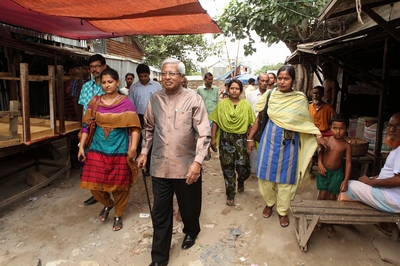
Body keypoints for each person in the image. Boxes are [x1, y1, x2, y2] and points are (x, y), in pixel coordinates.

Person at [136, 58, 210, 266]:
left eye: (172, 74)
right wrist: (143, 152)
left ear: (182, 77)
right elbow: (148, 128)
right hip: (160, 165)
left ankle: (191, 231)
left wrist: (197, 162)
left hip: (186, 166)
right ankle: (159, 258)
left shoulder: (193, 99)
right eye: (164, 74)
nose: (167, 77)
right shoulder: (154, 100)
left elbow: (204, 134)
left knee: (189, 207)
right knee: (160, 211)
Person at [246, 65, 327, 228]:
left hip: (290, 145)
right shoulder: (269, 96)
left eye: (286, 78)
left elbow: (306, 122)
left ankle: (283, 211)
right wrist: (249, 139)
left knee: (287, 180)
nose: (282, 82)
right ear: (276, 79)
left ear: (292, 80)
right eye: (280, 78)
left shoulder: (299, 99)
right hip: (268, 142)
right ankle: (269, 203)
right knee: (265, 177)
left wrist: (317, 135)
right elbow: (259, 118)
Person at [78, 68, 141, 231]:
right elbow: (86, 125)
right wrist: (82, 146)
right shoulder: (95, 101)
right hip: (97, 148)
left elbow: (135, 128)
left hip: (120, 149)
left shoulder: (126, 103)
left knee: (120, 184)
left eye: (110, 82)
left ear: (117, 82)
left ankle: (118, 215)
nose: (107, 85)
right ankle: (108, 204)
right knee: (94, 184)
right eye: (104, 82)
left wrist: (133, 149)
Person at [338, 112, 400, 215]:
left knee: (347, 186)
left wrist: (372, 183)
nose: (391, 130)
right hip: (391, 195)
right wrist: (375, 178)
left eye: (397, 126)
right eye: (390, 126)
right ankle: (381, 222)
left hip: (393, 200)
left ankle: (340, 218)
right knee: (362, 181)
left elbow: (398, 179)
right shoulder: (396, 148)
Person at [209, 79, 255, 206]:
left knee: (244, 167)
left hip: (241, 139)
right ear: (228, 89)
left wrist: (250, 140)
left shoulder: (245, 105)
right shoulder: (222, 105)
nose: (234, 90)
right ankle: (230, 193)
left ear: (240, 90)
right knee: (227, 167)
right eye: (232, 88)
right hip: (225, 139)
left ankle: (241, 180)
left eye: (237, 88)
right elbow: (216, 121)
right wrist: (213, 138)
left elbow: (252, 123)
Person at [78, 54, 108, 206]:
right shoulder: (86, 87)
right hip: (88, 131)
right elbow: (83, 110)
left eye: (97, 66)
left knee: (105, 162)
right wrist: (81, 129)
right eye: (92, 67)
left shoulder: (108, 85)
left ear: (104, 66)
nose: (94, 69)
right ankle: (97, 193)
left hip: (105, 131)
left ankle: (106, 192)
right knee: (90, 163)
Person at [316, 114, 351, 236]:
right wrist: (319, 164)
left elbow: (348, 163)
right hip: (324, 172)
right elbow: (320, 153)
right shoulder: (326, 140)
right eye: (335, 128)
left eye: (341, 128)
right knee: (322, 195)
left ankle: (329, 222)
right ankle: (319, 219)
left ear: (346, 129)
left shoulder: (346, 145)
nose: (338, 131)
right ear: (330, 127)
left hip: (336, 174)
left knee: (332, 198)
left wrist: (345, 180)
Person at [128, 63, 162, 176]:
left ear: (149, 74)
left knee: (153, 140)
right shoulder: (133, 87)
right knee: (140, 141)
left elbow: (161, 102)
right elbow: (131, 105)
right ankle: (142, 165)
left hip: (154, 117)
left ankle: (152, 166)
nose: (143, 78)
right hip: (139, 117)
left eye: (145, 76)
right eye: (141, 76)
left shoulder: (157, 86)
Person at [197, 72, 219, 161]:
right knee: (205, 135)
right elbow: (197, 102)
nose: (211, 81)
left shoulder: (216, 89)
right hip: (204, 116)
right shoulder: (199, 89)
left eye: (212, 79)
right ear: (204, 80)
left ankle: (212, 146)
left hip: (213, 116)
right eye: (209, 79)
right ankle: (208, 151)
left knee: (213, 134)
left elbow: (217, 102)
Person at [70, 59, 91, 124]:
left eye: (88, 69)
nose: (87, 71)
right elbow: (74, 101)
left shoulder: (89, 82)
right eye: (85, 69)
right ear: (79, 70)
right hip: (81, 115)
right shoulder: (76, 82)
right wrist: (79, 117)